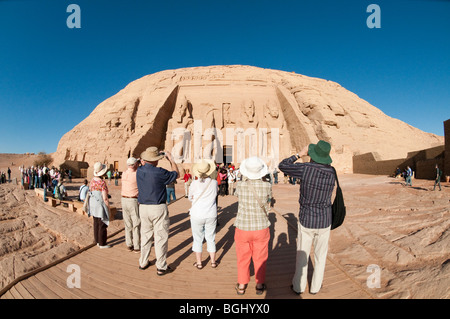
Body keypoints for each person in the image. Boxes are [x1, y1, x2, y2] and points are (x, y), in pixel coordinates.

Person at [278, 140, 336, 295]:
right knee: (321, 256)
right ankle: (316, 287)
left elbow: (282, 165)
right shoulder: (332, 172)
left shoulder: (306, 168)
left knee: (302, 255)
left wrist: (299, 154)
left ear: (313, 155)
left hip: (307, 219)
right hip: (324, 220)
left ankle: (299, 287)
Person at [136, 147, 178, 275]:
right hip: (158, 207)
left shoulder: (139, 170)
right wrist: (171, 160)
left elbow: (140, 162)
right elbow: (176, 173)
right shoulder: (160, 172)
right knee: (160, 237)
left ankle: (143, 261)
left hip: (143, 207)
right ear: (156, 160)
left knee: (146, 236)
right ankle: (161, 266)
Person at [234, 156, 272, 296]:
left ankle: (242, 285)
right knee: (260, 257)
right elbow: (269, 199)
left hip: (243, 226)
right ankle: (259, 284)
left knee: (243, 258)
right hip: (261, 226)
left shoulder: (240, 185)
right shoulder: (267, 185)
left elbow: (237, 194)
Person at [188, 159, 218, 269]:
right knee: (211, 238)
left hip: (197, 214)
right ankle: (213, 262)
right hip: (211, 213)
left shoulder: (194, 183)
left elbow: (190, 197)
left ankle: (199, 263)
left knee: (197, 239)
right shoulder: (214, 183)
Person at [88, 162, 111, 249]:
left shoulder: (92, 181)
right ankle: (102, 243)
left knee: (96, 223)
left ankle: (97, 240)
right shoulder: (102, 183)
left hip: (93, 204)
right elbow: (105, 197)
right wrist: (107, 207)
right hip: (100, 205)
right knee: (102, 224)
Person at [121, 157, 141, 252]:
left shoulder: (124, 174)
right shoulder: (137, 174)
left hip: (124, 199)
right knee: (136, 223)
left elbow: (130, 168)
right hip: (132, 200)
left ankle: (129, 244)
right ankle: (136, 245)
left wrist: (135, 162)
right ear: (135, 165)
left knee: (127, 223)